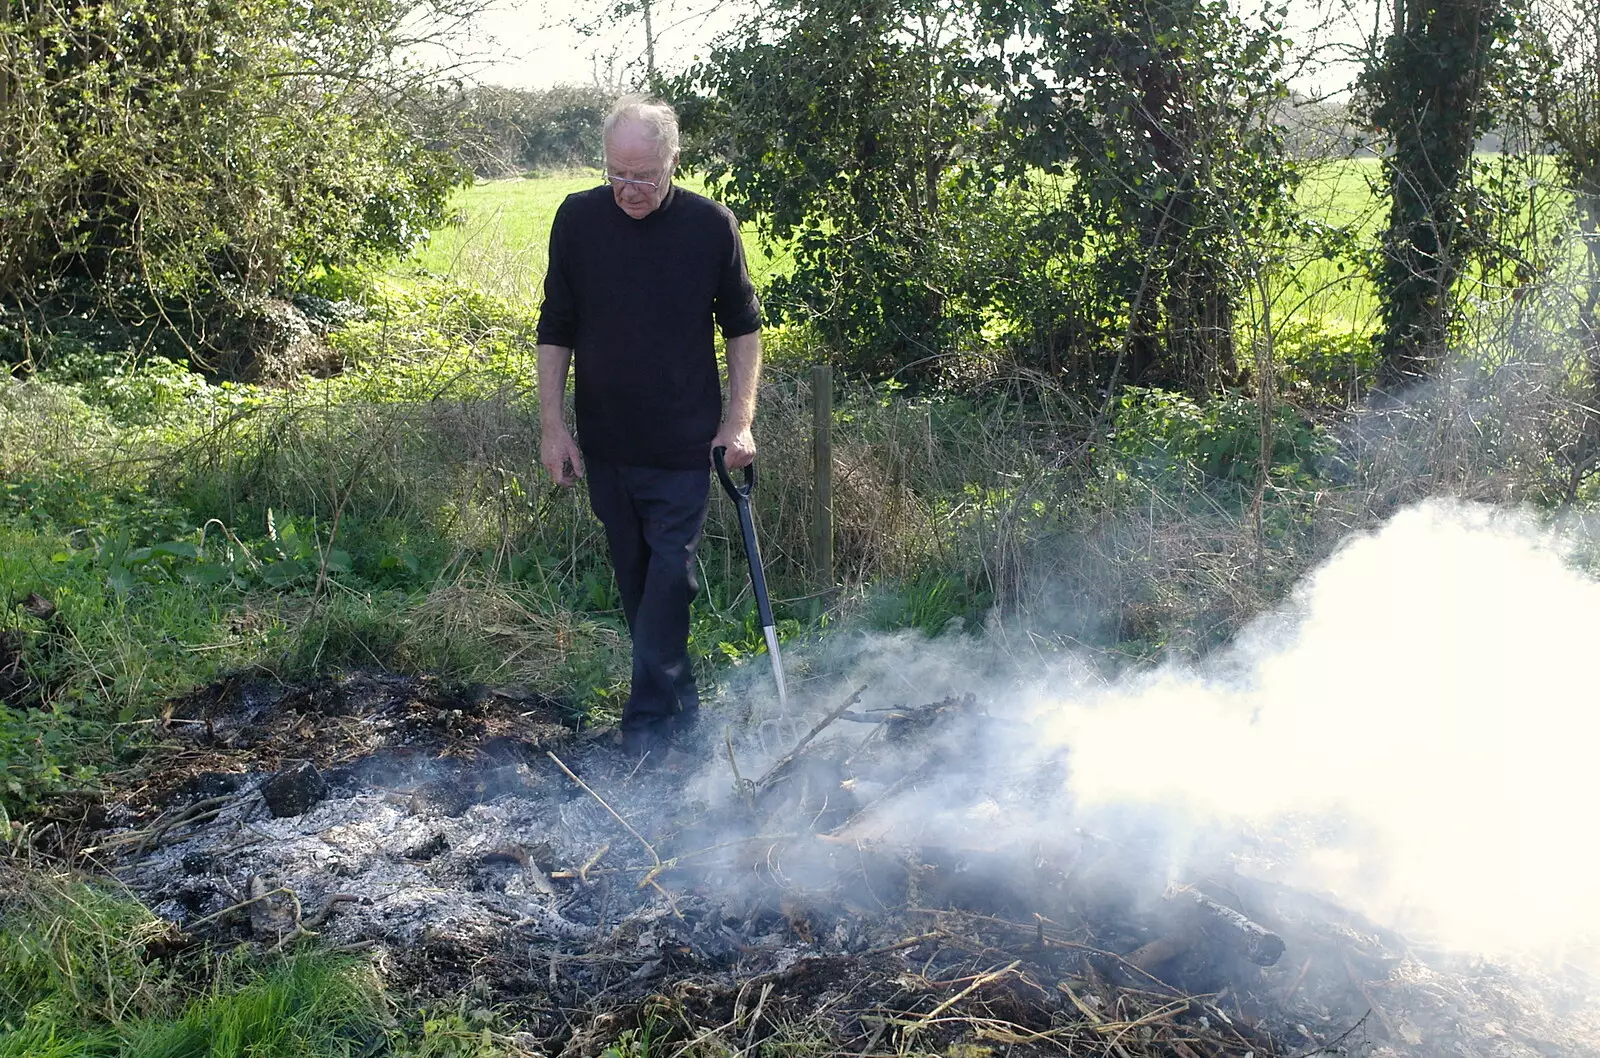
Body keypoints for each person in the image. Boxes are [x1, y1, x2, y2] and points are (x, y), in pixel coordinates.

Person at [535, 96, 763, 758]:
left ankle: (643, 731)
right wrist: (553, 428)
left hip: (686, 444)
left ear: (673, 161)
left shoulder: (709, 226)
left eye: (644, 176)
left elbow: (743, 328)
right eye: (617, 175)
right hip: (606, 441)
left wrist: (739, 421)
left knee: (671, 575)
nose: (629, 190)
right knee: (638, 586)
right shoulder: (577, 220)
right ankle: (681, 716)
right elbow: (556, 327)